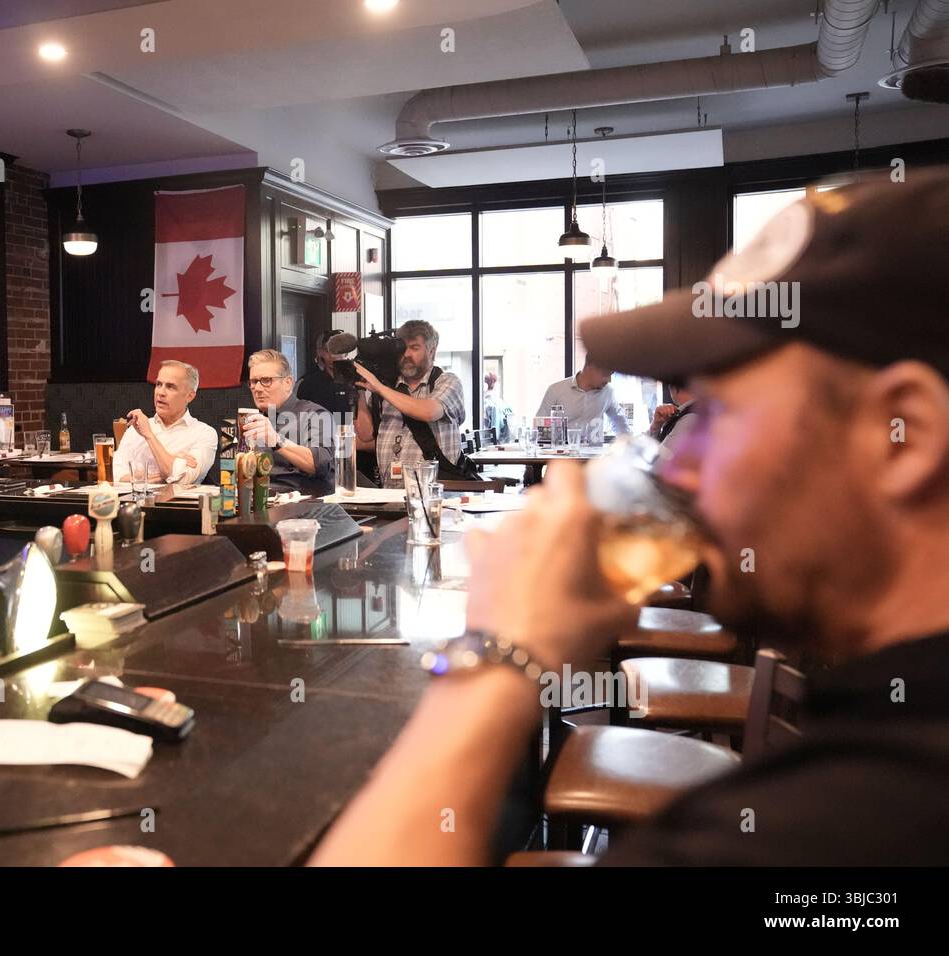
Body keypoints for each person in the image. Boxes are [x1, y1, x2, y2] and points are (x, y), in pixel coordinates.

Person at [311, 169, 949, 866]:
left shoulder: (850, 825)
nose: (678, 466)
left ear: (905, 435)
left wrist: (497, 659)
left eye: (725, 413)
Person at [353, 319, 468, 486]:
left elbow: (429, 412)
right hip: (391, 494)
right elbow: (365, 434)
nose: (406, 354)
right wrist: (360, 389)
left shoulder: (447, 381)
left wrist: (378, 387)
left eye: (414, 348)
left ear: (432, 351)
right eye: (402, 348)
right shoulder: (387, 388)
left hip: (435, 494)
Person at [240, 348, 334, 496]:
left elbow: (320, 465)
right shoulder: (251, 420)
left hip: (301, 505)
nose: (257, 388)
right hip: (255, 501)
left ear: (288, 383)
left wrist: (277, 440)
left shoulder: (315, 415)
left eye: (266, 381)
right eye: (253, 382)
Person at [112, 359, 218, 486]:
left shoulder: (204, 433)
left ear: (189, 396)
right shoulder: (135, 430)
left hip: (178, 505)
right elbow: (115, 475)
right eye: (158, 384)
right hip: (134, 504)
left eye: (170, 387)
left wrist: (149, 435)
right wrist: (170, 466)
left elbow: (183, 479)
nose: (160, 393)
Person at [535, 358, 631, 439]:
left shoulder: (608, 392)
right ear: (590, 367)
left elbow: (620, 423)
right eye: (605, 374)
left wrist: (627, 446)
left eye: (611, 374)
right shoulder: (556, 390)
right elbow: (539, 425)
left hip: (593, 456)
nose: (609, 380)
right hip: (562, 455)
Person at [296, 330, 349, 414]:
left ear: (346, 353)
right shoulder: (308, 384)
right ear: (321, 353)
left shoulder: (354, 382)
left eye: (337, 350)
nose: (332, 355)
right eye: (327, 350)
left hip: (348, 426)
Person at [482, 371, 513, 442]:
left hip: (485, 440)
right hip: (498, 440)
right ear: (495, 384)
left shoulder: (484, 401)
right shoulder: (499, 402)